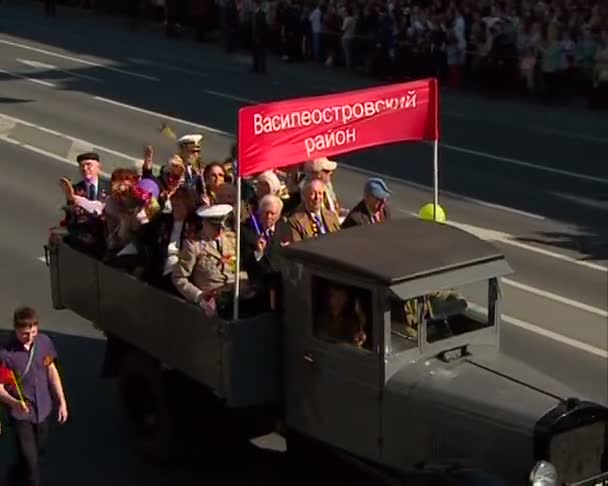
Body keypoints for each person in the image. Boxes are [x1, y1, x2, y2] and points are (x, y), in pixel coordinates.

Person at [0, 307, 68, 486]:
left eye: (33, 332)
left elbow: (51, 371)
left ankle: (13, 475)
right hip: (21, 415)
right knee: (32, 464)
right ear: (15, 330)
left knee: (37, 453)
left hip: (43, 410)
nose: (29, 337)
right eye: (24, 334)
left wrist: (62, 401)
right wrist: (14, 403)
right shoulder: (7, 355)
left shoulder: (44, 343)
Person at [172, 204, 249, 317]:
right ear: (205, 224)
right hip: (213, 298)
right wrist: (198, 295)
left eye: (222, 228)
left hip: (236, 294)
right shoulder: (193, 246)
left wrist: (244, 283)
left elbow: (237, 267)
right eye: (215, 228)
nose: (219, 232)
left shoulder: (231, 240)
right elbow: (178, 277)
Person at [251, 0, 268, 74]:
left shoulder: (260, 14)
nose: (252, 5)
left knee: (260, 53)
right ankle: (257, 67)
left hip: (259, 37)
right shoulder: (256, 13)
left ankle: (261, 68)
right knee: (257, 53)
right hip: (256, 36)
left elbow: (261, 27)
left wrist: (259, 37)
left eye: (253, 4)